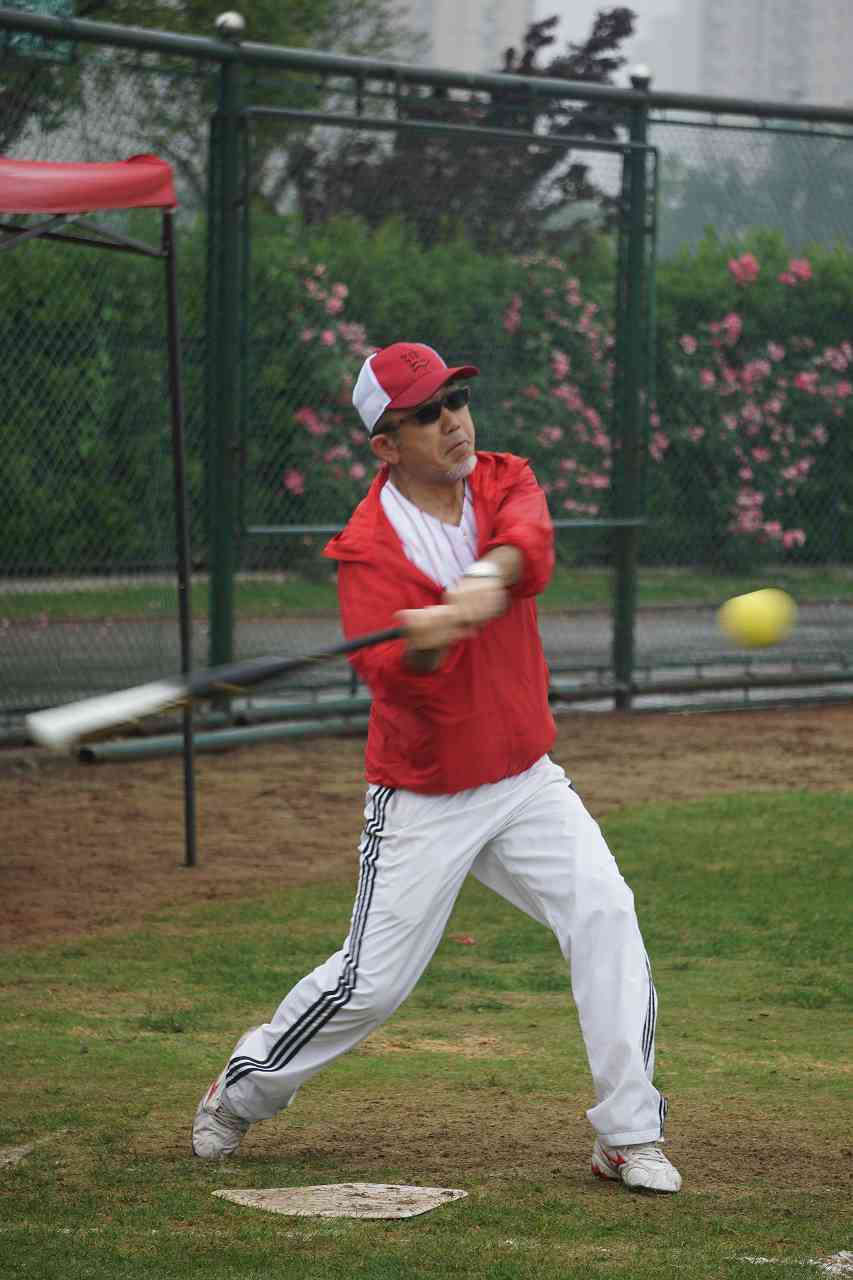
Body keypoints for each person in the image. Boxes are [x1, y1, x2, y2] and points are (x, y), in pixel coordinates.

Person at [192, 341, 682, 1194]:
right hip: (424, 793)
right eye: (426, 414)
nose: (453, 421)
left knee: (605, 911)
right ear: (385, 445)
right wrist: (423, 644)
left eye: (455, 400)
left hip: (523, 778)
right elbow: (393, 680)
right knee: (369, 987)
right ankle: (241, 1090)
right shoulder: (366, 549)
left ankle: (626, 1132)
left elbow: (529, 544)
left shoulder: (501, 479)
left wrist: (485, 575)